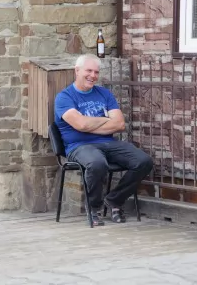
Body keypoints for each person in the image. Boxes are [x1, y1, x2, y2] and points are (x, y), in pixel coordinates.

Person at [54, 54, 153, 226]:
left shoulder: (104, 94)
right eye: (89, 71)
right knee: (97, 163)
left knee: (143, 161)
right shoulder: (64, 97)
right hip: (79, 146)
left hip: (109, 143)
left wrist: (89, 123)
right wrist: (106, 121)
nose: (93, 76)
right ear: (77, 71)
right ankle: (94, 208)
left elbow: (120, 124)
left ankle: (114, 200)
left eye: (96, 72)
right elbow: (81, 124)